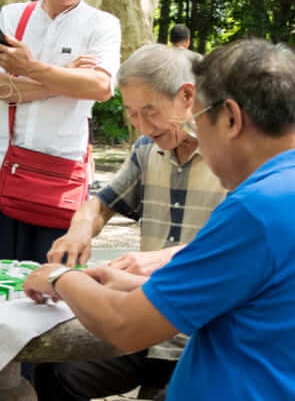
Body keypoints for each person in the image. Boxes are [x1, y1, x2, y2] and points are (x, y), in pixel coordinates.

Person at [24, 38, 295, 400]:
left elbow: (123, 325)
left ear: (231, 118)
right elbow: (265, 302)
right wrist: (121, 280)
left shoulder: (260, 208)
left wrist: (60, 278)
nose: (195, 137)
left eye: (199, 123)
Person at [35, 44, 227, 400]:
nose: (141, 125)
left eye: (149, 111)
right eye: (132, 113)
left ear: (188, 96)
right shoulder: (146, 150)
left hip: (202, 337)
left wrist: (164, 259)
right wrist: (79, 231)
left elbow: (238, 245)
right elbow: (101, 203)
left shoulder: (231, 157)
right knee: (58, 371)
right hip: (144, 323)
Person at [0, 0, 121, 263]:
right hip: (1, 175)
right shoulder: (13, 16)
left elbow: (101, 87)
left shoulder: (102, 25)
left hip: (62, 183)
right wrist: (64, 81)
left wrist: (29, 68)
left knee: (51, 294)